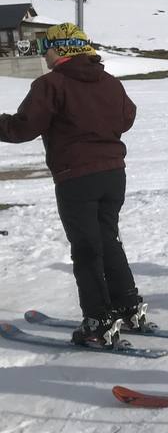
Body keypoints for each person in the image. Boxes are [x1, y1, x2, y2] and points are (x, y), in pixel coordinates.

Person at [0, 23, 142, 345]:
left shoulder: (52, 84)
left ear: (63, 48)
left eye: (46, 48)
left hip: (76, 177)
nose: (43, 55)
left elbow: (24, 128)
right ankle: (128, 304)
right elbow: (127, 118)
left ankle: (98, 320)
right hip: (113, 175)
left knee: (87, 248)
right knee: (107, 239)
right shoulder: (109, 82)